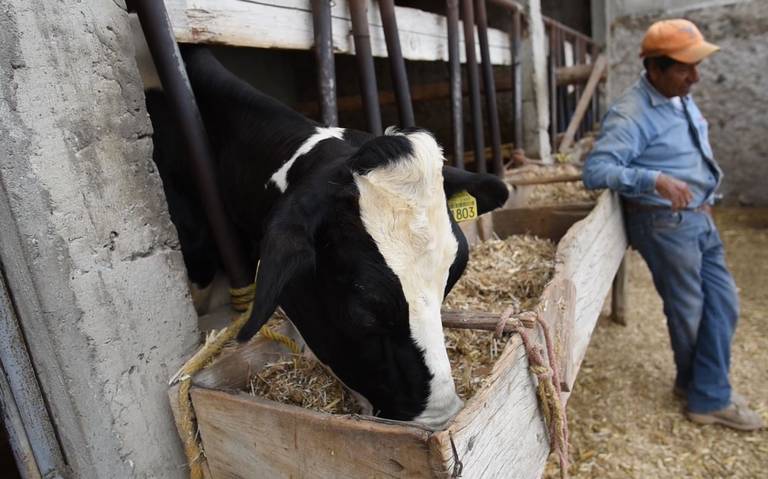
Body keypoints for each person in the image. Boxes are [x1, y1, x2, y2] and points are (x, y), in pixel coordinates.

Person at [582, 19, 763, 431]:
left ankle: (694, 384)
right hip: (664, 223)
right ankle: (709, 399)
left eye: (695, 66)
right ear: (655, 69)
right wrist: (654, 179)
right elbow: (596, 170)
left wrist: (706, 198)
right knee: (690, 312)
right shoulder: (631, 114)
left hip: (699, 216)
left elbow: (692, 151)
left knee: (725, 304)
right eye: (685, 68)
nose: (695, 77)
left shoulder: (678, 95)